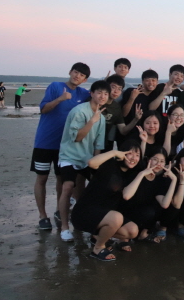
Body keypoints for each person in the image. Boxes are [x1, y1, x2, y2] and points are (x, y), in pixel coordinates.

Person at [30, 62, 91, 231]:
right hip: (44, 142)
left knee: (61, 179)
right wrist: (60, 99)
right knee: (41, 178)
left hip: (65, 146)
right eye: (76, 72)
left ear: (85, 80)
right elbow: (43, 109)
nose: (77, 76)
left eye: (82, 75)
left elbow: (99, 95)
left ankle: (59, 210)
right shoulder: (55, 86)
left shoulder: (82, 93)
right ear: (70, 72)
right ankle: (43, 216)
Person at [70, 141, 144, 261]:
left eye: (137, 155)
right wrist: (114, 152)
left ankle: (98, 237)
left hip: (104, 215)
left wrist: (142, 173)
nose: (133, 158)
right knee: (117, 218)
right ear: (122, 152)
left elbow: (126, 195)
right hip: (84, 212)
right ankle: (98, 248)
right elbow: (91, 163)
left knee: (132, 231)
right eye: (130, 153)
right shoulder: (110, 165)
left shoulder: (131, 174)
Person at [57, 80, 109, 242]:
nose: (102, 96)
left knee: (97, 187)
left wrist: (96, 168)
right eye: (99, 92)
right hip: (69, 156)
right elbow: (77, 137)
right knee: (68, 187)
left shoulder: (101, 117)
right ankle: (64, 227)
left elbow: (98, 145)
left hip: (87, 158)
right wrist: (91, 121)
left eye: (105, 94)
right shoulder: (79, 111)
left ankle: (90, 223)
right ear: (91, 93)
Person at [120, 148, 179, 243]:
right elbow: (126, 196)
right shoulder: (136, 172)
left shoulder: (159, 180)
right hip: (127, 212)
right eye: (155, 159)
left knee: (156, 208)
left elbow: (165, 204)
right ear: (148, 160)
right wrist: (142, 174)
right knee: (147, 211)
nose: (158, 164)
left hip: (144, 215)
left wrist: (174, 180)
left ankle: (144, 232)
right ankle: (125, 236)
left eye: (162, 161)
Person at [103, 74, 142, 151]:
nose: (116, 91)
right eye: (113, 87)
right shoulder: (95, 102)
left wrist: (136, 119)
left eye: (119, 89)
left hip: (103, 144)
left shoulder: (116, 107)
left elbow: (123, 130)